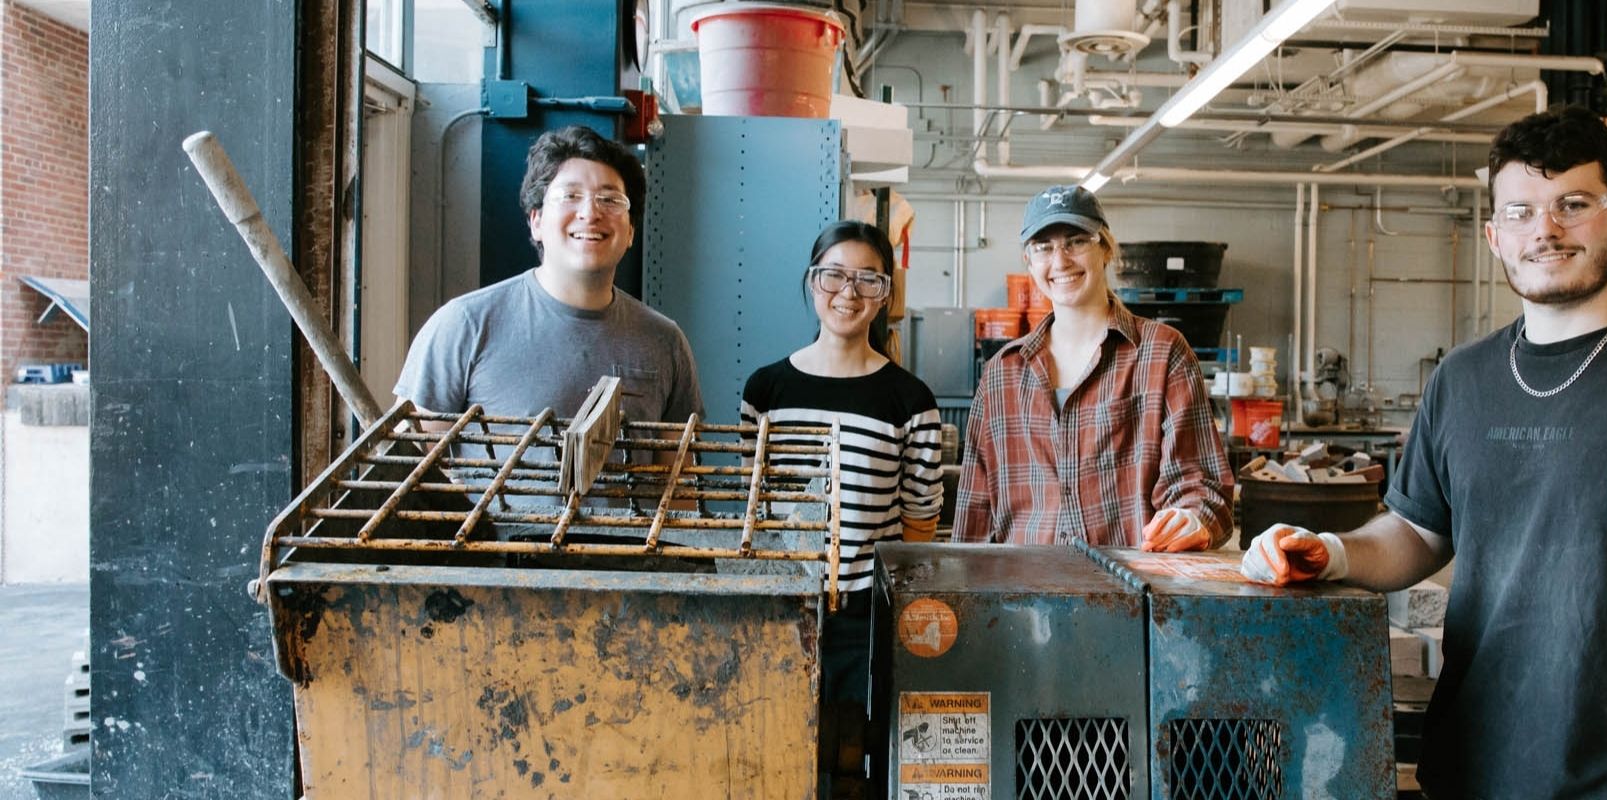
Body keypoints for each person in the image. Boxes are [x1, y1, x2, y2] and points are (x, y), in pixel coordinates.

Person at [1240, 106, 1607, 800]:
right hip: (1470, 768)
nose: (1546, 229)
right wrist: (1334, 552)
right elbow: (1419, 531)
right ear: (1493, 235)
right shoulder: (1463, 379)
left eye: (1574, 204)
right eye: (1521, 211)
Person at [739, 221, 943, 798]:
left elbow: (919, 521)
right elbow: (757, 504)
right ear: (812, 282)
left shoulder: (910, 399)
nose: (847, 293)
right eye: (833, 275)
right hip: (778, 610)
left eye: (866, 280)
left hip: (863, 620)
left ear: (885, 294)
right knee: (773, 755)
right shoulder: (766, 391)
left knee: (854, 764)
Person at [394, 125, 701, 471]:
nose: (590, 212)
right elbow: (416, 477)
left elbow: (678, 489)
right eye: (570, 196)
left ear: (630, 231)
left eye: (610, 199)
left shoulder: (664, 341)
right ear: (536, 221)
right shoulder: (465, 325)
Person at [954, 185, 1232, 551]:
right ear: (1028, 261)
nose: (1060, 260)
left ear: (1106, 249)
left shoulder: (1162, 354)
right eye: (1044, 247)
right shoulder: (1002, 373)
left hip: (1129, 595)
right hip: (1023, 598)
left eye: (1076, 241)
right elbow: (974, 512)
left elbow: (1199, 483)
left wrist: (1190, 518)